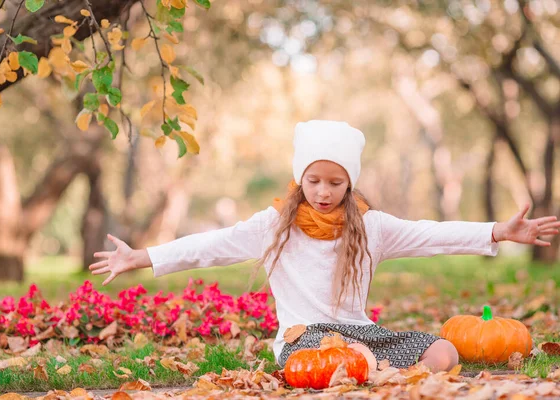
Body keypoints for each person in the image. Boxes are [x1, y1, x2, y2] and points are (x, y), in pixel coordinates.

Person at [89, 120, 560, 373]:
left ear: (349, 182)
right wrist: (141, 257)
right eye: (314, 180)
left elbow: (430, 233)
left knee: (443, 353)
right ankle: (375, 377)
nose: (323, 191)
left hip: (362, 338)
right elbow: (213, 245)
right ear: (300, 179)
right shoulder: (275, 226)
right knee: (349, 361)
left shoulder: (372, 226)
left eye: (335, 182)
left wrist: (497, 230)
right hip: (303, 343)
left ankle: (386, 380)